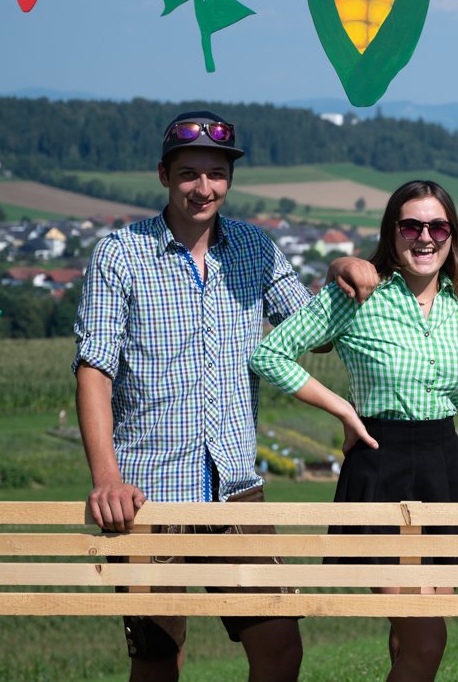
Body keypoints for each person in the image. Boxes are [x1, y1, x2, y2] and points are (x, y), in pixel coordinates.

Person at [74, 109, 379, 682]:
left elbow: (311, 333)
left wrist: (340, 266)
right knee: (158, 662)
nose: (203, 188)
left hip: (236, 489)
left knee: (280, 649)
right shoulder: (121, 253)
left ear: (230, 179)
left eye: (216, 174)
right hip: (148, 494)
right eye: (188, 173)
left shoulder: (254, 248)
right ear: (163, 175)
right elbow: (95, 369)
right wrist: (107, 478)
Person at [251, 180, 458, 682]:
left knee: (413, 633)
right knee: (427, 639)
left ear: (452, 234)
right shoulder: (359, 295)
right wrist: (343, 410)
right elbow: (270, 354)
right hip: (379, 465)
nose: (425, 237)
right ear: (392, 231)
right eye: (411, 226)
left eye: (438, 227)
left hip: (445, 468)